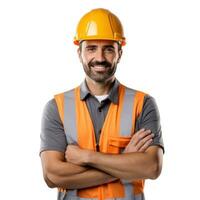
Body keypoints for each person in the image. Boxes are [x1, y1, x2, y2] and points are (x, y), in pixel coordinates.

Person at [40, 8, 164, 200]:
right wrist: (125, 162)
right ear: (79, 52)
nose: (99, 58)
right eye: (91, 48)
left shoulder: (143, 104)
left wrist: (87, 157)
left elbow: (152, 167)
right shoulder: (57, 107)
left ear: (119, 53)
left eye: (108, 49)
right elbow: (53, 176)